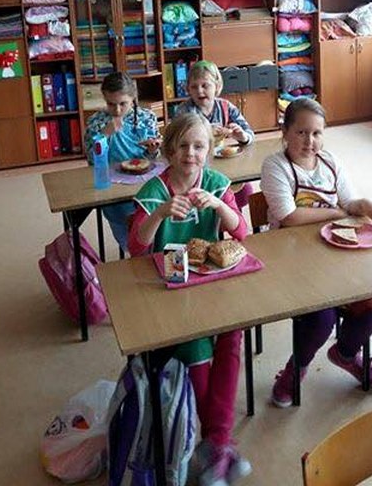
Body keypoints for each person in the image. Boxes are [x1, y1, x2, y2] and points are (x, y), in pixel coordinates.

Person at [128, 112, 252, 486]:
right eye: (182, 146)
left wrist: (219, 206)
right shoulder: (154, 190)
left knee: (232, 334)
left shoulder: (215, 183)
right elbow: (136, 248)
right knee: (196, 346)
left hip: (212, 284)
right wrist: (161, 212)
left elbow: (242, 232)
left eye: (199, 146)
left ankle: (216, 443)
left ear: (209, 149)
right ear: (169, 150)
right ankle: (219, 445)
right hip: (171, 289)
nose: (191, 154)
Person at [261, 98, 372, 408]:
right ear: (285, 132)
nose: (310, 141)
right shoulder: (276, 166)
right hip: (291, 260)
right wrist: (337, 212)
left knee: (371, 310)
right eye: (301, 132)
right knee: (321, 319)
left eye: (317, 133)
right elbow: (289, 216)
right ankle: (296, 368)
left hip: (334, 255)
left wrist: (363, 205)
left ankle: (345, 354)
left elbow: (350, 202)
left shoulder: (330, 162)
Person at [84, 71, 160, 251]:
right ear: (104, 99)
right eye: (111, 104)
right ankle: (131, 248)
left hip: (144, 180)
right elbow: (91, 159)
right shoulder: (96, 122)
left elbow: (154, 157)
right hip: (113, 183)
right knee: (125, 232)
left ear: (133, 98)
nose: (117, 110)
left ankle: (150, 246)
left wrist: (153, 150)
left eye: (123, 104)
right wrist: (104, 134)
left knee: (152, 214)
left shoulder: (147, 118)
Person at [176, 59, 254, 211]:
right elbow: (177, 140)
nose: (199, 91)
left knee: (245, 190)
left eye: (205, 85)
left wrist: (242, 137)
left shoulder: (226, 107)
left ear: (217, 86)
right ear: (188, 89)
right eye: (194, 87)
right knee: (209, 195)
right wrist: (205, 134)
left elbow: (249, 132)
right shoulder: (184, 111)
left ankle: (233, 215)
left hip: (224, 162)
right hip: (197, 164)